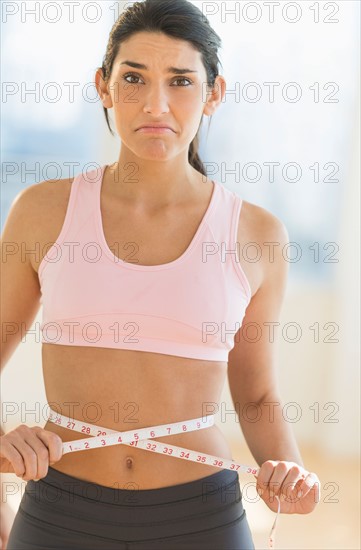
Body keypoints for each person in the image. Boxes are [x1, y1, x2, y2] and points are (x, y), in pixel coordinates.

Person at [0, 1, 320, 548]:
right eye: (133, 78)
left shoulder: (257, 234)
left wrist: (288, 471)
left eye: (180, 81)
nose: (155, 103)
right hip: (60, 506)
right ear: (103, 87)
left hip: (201, 515)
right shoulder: (41, 212)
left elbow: (257, 393)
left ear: (213, 94)